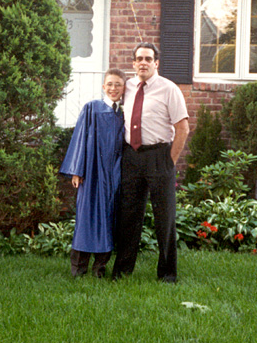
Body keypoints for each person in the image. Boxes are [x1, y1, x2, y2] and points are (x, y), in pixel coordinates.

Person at [111, 42, 189, 283]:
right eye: (139, 59)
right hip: (131, 157)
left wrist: (169, 161)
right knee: (128, 216)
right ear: (133, 64)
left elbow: (183, 129)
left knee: (164, 218)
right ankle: (122, 271)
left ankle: (167, 274)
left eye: (148, 58)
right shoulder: (129, 86)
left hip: (159, 157)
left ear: (156, 63)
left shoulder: (169, 89)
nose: (143, 62)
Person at [60, 69, 126, 278]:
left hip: (114, 175)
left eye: (118, 84)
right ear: (103, 86)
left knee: (108, 220)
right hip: (92, 173)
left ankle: (100, 269)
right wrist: (77, 171)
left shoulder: (124, 114)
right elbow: (79, 138)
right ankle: (78, 269)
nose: (113, 88)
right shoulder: (92, 109)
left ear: (123, 88)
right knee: (86, 218)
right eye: (110, 84)